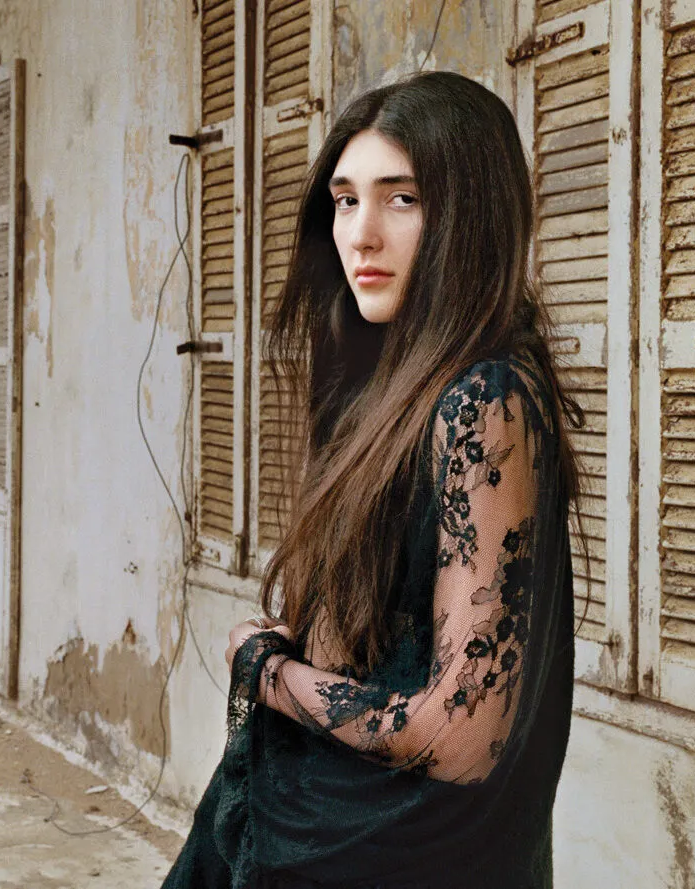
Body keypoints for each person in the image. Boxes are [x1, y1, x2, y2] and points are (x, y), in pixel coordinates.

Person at [161, 71, 584, 889]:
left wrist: (268, 673)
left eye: (401, 199)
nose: (360, 236)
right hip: (326, 825)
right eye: (346, 200)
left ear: (471, 217)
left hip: (393, 857)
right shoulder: (393, 385)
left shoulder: (483, 401)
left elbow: (459, 734)